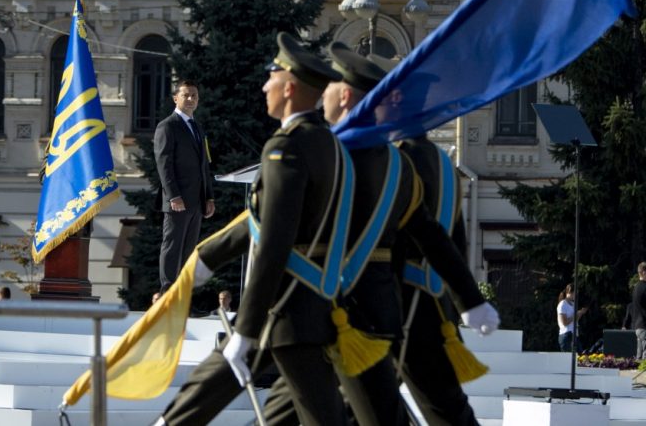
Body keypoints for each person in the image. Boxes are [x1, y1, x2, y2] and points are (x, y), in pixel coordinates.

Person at [157, 32, 349, 426]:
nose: (265, 87)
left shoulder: (286, 149)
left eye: (272, 79)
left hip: (283, 308)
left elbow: (270, 237)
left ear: (291, 88)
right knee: (306, 411)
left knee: (202, 395)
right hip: (319, 304)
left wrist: (245, 324)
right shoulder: (332, 146)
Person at [368, 53, 486, 426]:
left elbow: (391, 238)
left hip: (399, 307)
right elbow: (457, 244)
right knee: (448, 412)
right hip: (435, 310)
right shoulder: (447, 167)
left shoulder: (397, 162)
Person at [154, 79, 216, 293]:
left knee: (189, 250)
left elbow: (203, 165)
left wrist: (209, 197)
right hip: (178, 200)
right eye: (186, 95)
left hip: (197, 201)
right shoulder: (168, 126)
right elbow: (164, 164)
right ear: (175, 98)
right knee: (172, 247)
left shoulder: (197, 127)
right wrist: (173, 196)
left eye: (194, 96)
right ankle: (167, 292)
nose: (190, 99)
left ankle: (184, 296)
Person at [557, 283, 587, 352]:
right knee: (569, 359)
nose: (575, 296)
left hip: (574, 335)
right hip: (566, 335)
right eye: (574, 293)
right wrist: (576, 315)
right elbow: (564, 322)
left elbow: (575, 320)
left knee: (579, 356)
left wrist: (580, 313)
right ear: (569, 292)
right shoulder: (562, 304)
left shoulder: (573, 304)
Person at [633, 262, 646, 358]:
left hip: (638, 326)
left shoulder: (636, 287)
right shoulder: (644, 287)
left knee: (639, 356)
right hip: (644, 325)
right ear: (644, 272)